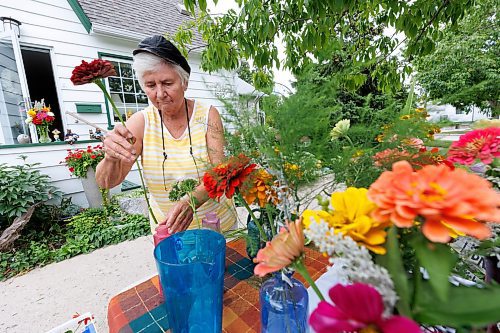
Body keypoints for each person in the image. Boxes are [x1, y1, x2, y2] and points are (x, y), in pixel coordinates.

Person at [96, 35, 237, 234]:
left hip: (216, 226)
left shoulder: (207, 115)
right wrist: (110, 157)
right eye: (151, 85)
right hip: (170, 232)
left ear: (184, 83)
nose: (160, 94)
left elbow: (219, 173)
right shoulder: (140, 122)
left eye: (167, 83)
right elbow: (106, 182)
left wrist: (191, 201)